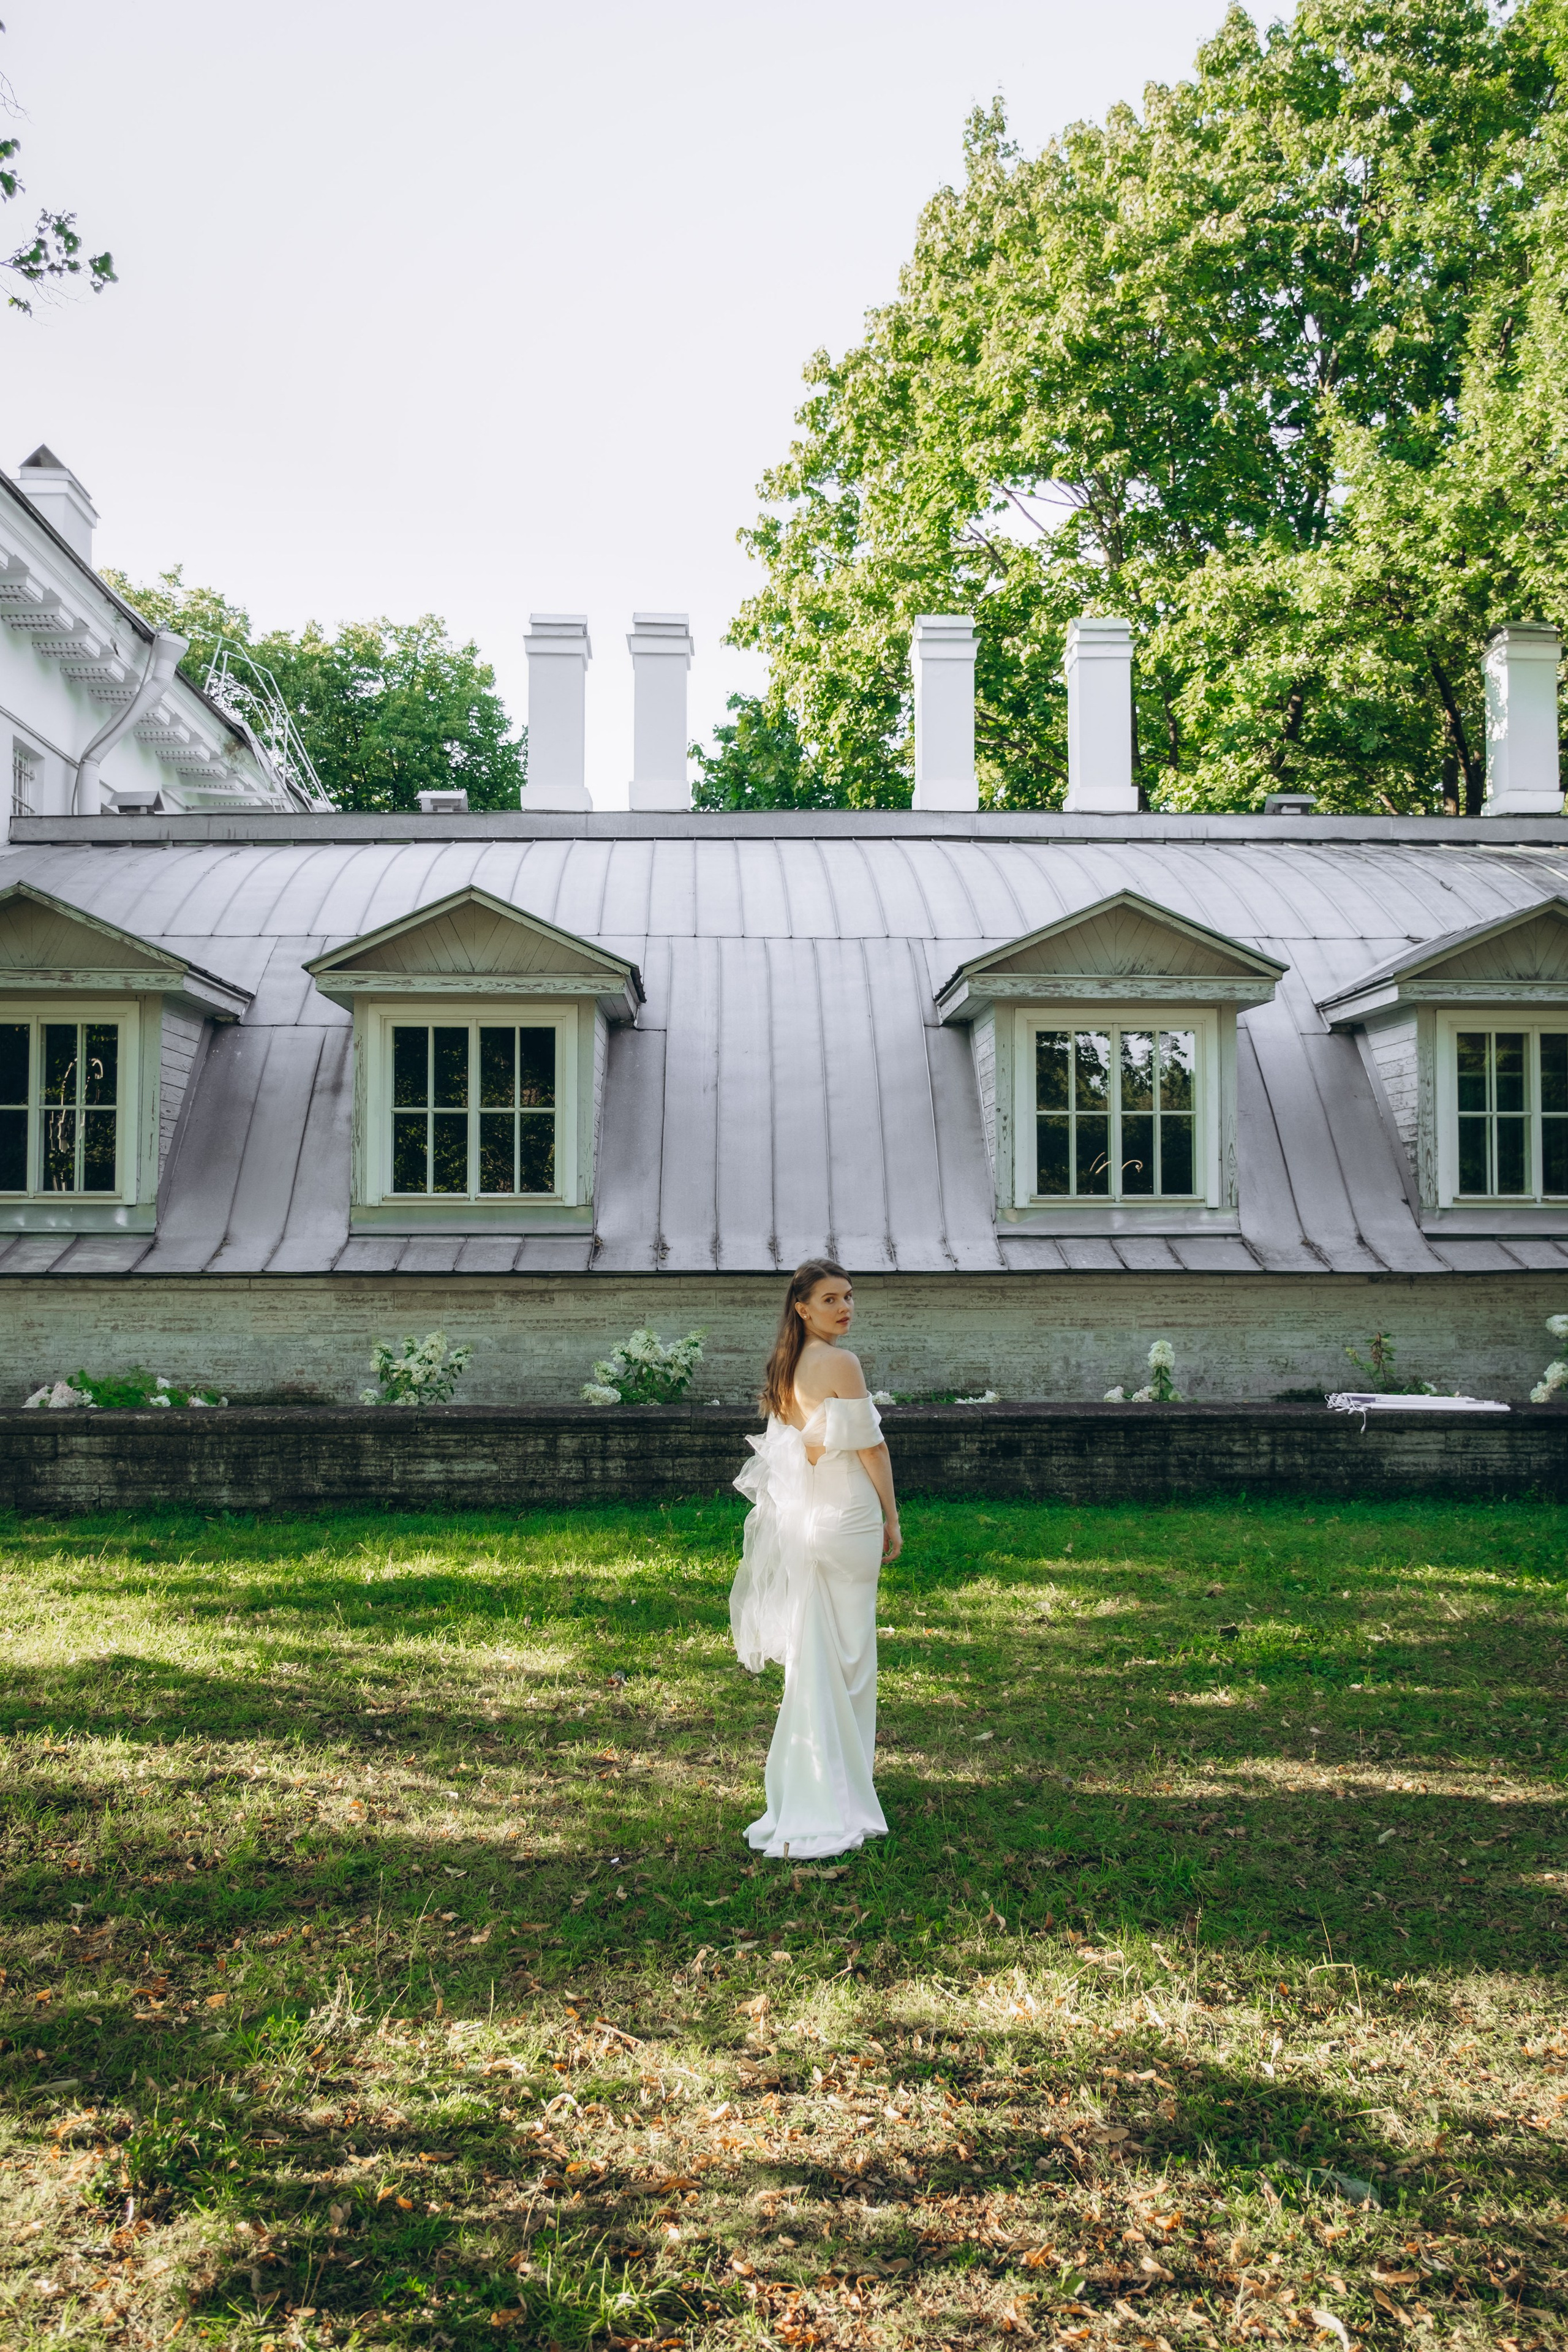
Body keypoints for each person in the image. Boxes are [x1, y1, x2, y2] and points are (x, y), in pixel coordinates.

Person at [729, 1257, 902, 1860]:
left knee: (819, 1653)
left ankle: (819, 1783)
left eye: (849, 1297)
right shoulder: (840, 1363)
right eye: (831, 1299)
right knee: (850, 1654)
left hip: (811, 1521)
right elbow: (872, 1448)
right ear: (803, 1307)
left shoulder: (788, 1364)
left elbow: (798, 1451)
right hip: (849, 1515)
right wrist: (892, 1516)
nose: (845, 1307)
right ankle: (842, 1793)